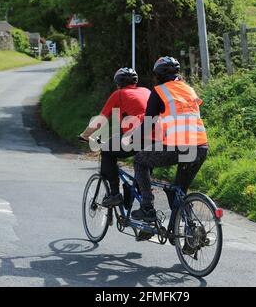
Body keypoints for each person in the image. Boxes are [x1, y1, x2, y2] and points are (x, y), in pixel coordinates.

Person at [131, 57, 209, 222]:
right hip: (201, 147)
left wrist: (132, 139)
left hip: (177, 147)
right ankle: (187, 234)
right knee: (178, 191)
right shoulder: (189, 89)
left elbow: (149, 123)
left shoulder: (159, 91)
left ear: (158, 75)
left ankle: (146, 206)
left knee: (139, 160)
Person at [79, 68, 151, 207]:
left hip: (135, 137)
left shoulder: (119, 94)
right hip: (156, 138)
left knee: (106, 149)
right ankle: (141, 201)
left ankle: (114, 194)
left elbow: (101, 120)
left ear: (118, 83)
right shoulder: (146, 91)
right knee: (143, 167)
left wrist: (85, 134)